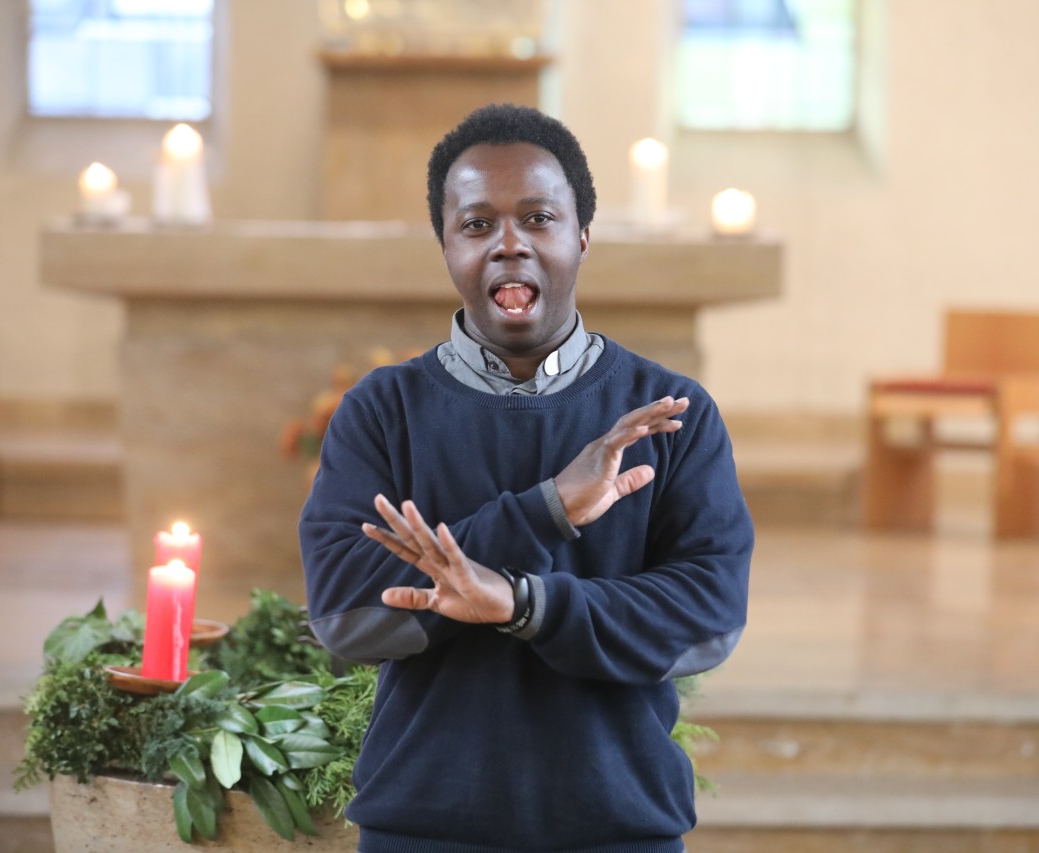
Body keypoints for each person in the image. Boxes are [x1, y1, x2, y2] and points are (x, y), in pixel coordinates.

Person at [299, 103, 753, 853]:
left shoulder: (670, 414)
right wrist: (547, 509)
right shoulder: (383, 410)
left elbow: (706, 618)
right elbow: (347, 614)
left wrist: (522, 602)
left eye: (538, 218)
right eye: (477, 225)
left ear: (581, 235)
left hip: (617, 823)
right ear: (445, 244)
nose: (509, 244)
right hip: (425, 821)